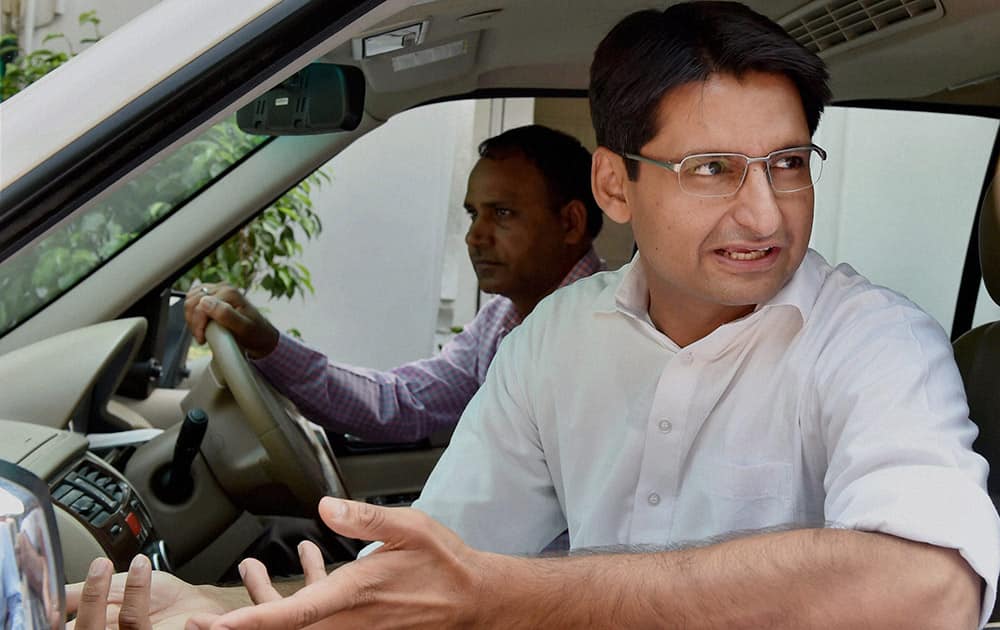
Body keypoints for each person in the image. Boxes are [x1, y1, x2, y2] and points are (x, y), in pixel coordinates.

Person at [84, 2, 998, 628]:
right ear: (615, 184)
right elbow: (436, 580)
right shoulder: (555, 341)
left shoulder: (875, 342)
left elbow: (930, 589)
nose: (766, 213)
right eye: (712, 169)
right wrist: (223, 610)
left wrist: (506, 595)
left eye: (789, 163)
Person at [184, 124, 604, 444]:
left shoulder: (611, 337)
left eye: (503, 213)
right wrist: (268, 344)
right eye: (474, 214)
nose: (475, 236)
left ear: (570, 223)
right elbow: (400, 402)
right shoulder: (503, 320)